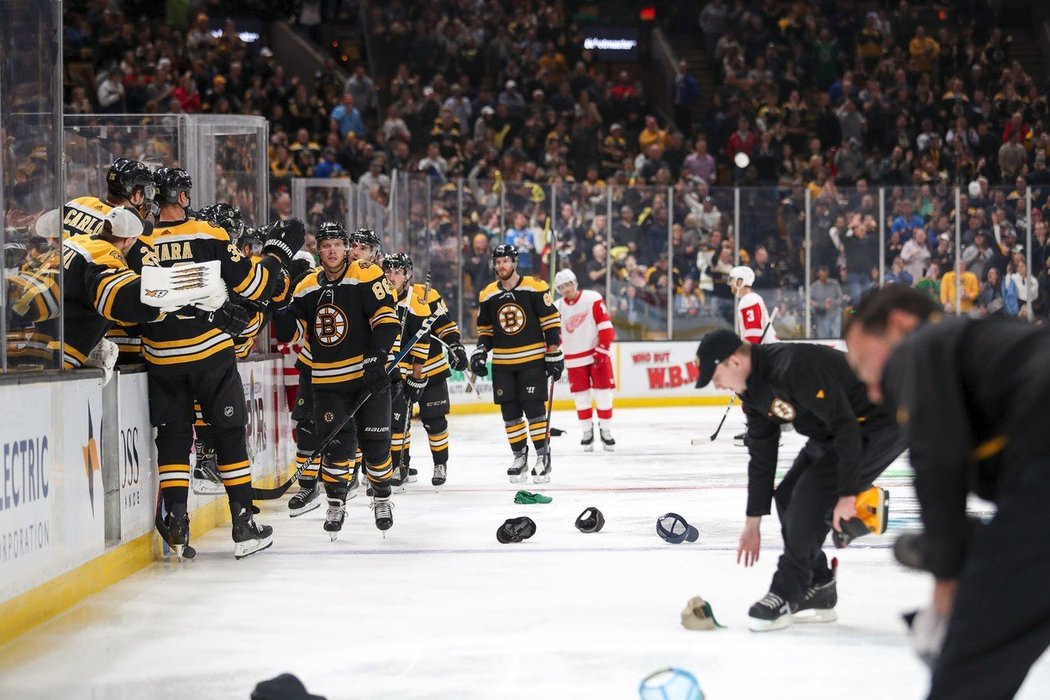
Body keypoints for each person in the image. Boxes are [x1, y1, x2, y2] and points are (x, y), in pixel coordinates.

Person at [845, 285, 1050, 699]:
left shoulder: (922, 346)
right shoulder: (985, 350)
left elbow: (937, 458)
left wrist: (947, 578)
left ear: (899, 325)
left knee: (975, 645)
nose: (873, 393)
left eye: (867, 367)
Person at [694, 330, 904, 631]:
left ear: (735, 361)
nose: (717, 385)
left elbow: (845, 426)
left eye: (716, 376)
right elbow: (762, 458)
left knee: (809, 496)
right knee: (788, 497)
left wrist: (846, 494)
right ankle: (818, 585)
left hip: (879, 423)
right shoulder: (751, 395)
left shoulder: (792, 367)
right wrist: (752, 523)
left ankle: (785, 592)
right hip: (833, 432)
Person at [142, 167, 302, 559]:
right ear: (182, 197)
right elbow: (253, 285)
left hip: (160, 355)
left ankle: (177, 521)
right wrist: (276, 257)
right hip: (208, 352)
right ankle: (243, 522)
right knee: (229, 432)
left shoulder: (139, 242)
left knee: (175, 435)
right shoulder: (208, 234)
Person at [284, 223, 400, 536]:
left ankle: (383, 498)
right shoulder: (307, 285)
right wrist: (277, 300)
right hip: (327, 383)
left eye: (337, 244)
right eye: (326, 245)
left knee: (376, 445)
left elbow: (387, 320)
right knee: (337, 447)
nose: (332, 251)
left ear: (345, 247)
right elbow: (288, 330)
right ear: (318, 250)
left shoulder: (364, 273)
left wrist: (378, 354)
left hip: (367, 378)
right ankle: (335, 504)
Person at [470, 244, 563, 483]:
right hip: (503, 363)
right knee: (510, 414)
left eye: (505, 261)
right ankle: (519, 456)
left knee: (534, 411)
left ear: (515, 263)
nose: (501, 266)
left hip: (532, 361)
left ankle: (543, 456)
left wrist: (554, 354)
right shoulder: (488, 293)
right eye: (497, 262)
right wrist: (481, 351)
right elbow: (486, 330)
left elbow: (551, 322)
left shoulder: (535, 287)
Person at [382, 252, 468, 486]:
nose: (391, 276)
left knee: (434, 420)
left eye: (397, 272)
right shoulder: (379, 298)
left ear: (408, 274)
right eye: (387, 271)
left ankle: (440, 463)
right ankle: (401, 466)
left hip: (431, 369)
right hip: (398, 373)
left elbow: (445, 325)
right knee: (399, 422)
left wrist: (455, 346)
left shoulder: (425, 296)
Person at [63, 157, 158, 364]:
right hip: (82, 334)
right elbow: (144, 293)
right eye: (146, 192)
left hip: (49, 311)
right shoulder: (131, 230)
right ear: (136, 194)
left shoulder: (76, 204)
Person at [58, 207, 164, 373]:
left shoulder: (78, 241)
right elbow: (118, 299)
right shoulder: (107, 255)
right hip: (61, 353)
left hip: (40, 337)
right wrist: (162, 300)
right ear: (128, 240)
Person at [553, 268, 616, 451]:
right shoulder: (557, 307)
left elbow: (605, 325)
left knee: (603, 396)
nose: (566, 289)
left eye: (568, 285)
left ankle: (606, 431)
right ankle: (587, 433)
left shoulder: (592, 298)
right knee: (581, 399)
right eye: (562, 287)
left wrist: (603, 349)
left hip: (597, 355)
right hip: (574, 359)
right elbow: (556, 335)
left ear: (575, 283)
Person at [729, 266, 778, 344]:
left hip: (765, 352)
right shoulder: (751, 298)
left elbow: (754, 334)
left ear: (740, 282)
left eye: (732, 280)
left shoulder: (749, 300)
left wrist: (748, 354)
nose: (730, 283)